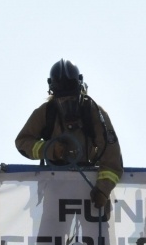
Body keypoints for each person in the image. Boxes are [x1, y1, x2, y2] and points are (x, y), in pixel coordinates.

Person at [15, 58, 123, 208]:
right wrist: (51, 149)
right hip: (56, 187)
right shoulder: (46, 113)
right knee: (51, 232)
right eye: (63, 99)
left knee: (98, 232)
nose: (68, 103)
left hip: (91, 186)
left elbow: (112, 159)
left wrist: (102, 191)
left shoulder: (94, 113)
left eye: (72, 97)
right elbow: (23, 142)